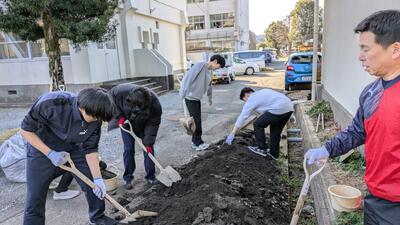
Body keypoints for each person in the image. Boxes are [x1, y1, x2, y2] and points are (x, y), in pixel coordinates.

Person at [304, 10, 400, 225]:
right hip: (375, 199)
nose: (360, 56)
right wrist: (328, 149)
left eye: (366, 48)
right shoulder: (371, 92)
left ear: (395, 50)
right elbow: (357, 131)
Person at [20, 87, 117, 225]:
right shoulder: (52, 103)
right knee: (35, 196)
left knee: (91, 182)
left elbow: (91, 149)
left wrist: (97, 178)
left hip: (73, 147)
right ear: (82, 107)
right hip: (41, 149)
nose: (97, 120)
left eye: (99, 118)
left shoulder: (95, 118)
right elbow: (25, 130)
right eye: (95, 117)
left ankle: (98, 217)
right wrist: (50, 153)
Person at [108, 84, 162, 190]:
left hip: (145, 124)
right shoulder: (120, 91)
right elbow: (110, 99)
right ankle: (128, 178)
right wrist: (120, 117)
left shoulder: (155, 103)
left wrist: (149, 141)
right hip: (127, 122)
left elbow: (154, 123)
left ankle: (151, 176)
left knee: (148, 149)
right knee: (128, 149)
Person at [225, 87, 293, 160]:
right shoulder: (263, 92)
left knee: (257, 124)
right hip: (288, 107)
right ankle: (274, 155)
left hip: (278, 109)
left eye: (245, 100)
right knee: (275, 132)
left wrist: (233, 133)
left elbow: (242, 117)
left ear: (246, 95)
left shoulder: (251, 99)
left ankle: (262, 148)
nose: (246, 102)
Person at [179, 55, 226, 151]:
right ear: (215, 61)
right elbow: (188, 78)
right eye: (219, 66)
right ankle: (198, 143)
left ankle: (195, 142)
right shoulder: (200, 65)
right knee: (197, 121)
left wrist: (210, 98)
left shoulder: (210, 71)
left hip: (197, 98)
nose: (218, 69)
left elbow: (209, 86)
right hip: (190, 97)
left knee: (196, 120)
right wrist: (182, 92)